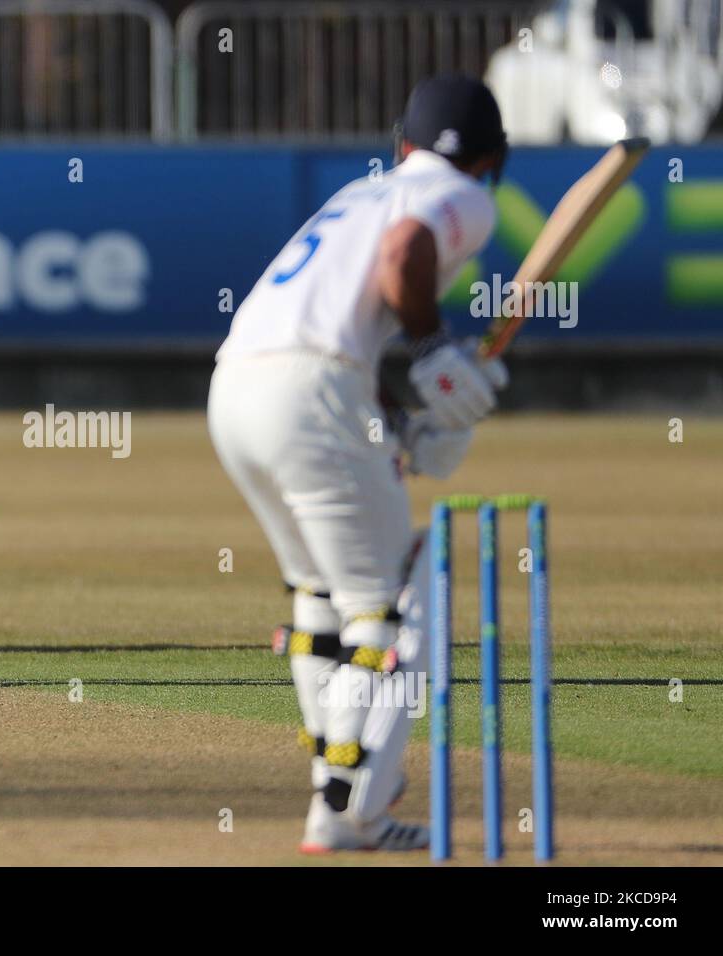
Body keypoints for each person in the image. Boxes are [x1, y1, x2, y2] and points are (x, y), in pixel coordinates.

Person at [208, 75, 510, 851]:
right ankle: (352, 806)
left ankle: (338, 788)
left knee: (320, 598)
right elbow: (404, 255)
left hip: (236, 383)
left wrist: (395, 418)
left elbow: (345, 307)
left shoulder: (356, 194)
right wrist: (437, 349)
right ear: (491, 158)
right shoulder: (467, 196)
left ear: (400, 143)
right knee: (390, 608)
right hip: (314, 389)